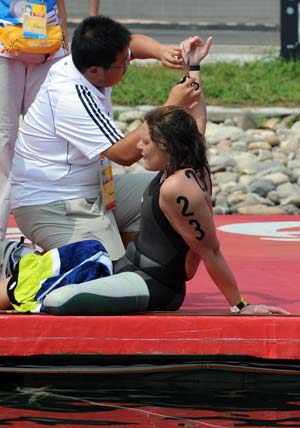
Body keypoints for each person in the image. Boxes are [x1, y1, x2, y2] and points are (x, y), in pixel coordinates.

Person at [0, 105, 289, 316]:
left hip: (152, 285)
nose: (139, 147)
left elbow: (210, 250)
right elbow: (196, 121)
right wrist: (193, 68)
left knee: (57, 299)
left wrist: (241, 306)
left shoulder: (178, 189)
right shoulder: (189, 159)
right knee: (34, 266)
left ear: (168, 146)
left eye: (146, 141)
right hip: (124, 266)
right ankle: (14, 257)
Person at [9, 16, 207, 262]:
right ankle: (18, 260)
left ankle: (130, 260)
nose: (128, 64)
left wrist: (161, 51)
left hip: (94, 190)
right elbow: (124, 154)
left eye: (127, 58)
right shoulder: (71, 96)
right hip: (55, 204)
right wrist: (170, 105)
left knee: (181, 189)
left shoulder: (87, 60)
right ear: (95, 71)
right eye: (123, 63)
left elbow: (132, 44)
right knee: (103, 279)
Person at [0, 0, 68, 243]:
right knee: (4, 138)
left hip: (48, 45)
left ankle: (46, 229)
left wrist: (64, 45)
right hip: (4, 41)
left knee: (44, 138)